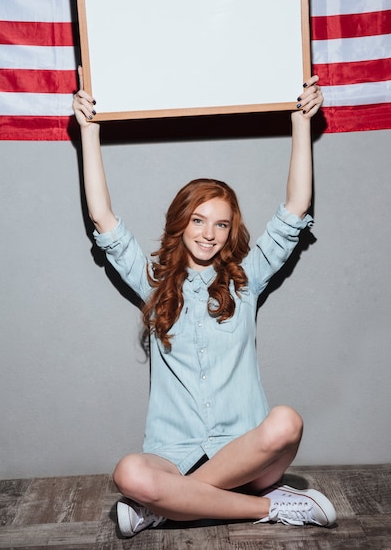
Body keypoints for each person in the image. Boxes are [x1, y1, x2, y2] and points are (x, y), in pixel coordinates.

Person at [73, 69, 336, 537]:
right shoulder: (154, 281)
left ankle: (169, 507)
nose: (208, 234)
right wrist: (89, 133)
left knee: (285, 423)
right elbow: (103, 217)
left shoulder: (244, 281)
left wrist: (301, 122)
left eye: (220, 225)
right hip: (173, 454)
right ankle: (267, 509)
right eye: (198, 220)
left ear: (230, 231)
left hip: (246, 455)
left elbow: (295, 208)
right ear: (182, 221)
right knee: (129, 473)